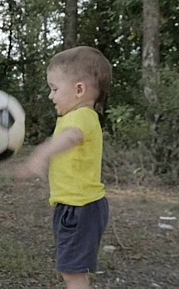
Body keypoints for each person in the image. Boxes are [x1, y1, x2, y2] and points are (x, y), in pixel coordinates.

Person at [15, 46, 112, 289]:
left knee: (73, 273)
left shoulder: (83, 116)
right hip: (74, 206)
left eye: (55, 89)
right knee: (71, 269)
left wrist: (42, 154)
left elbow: (71, 138)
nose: (51, 96)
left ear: (79, 90)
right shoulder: (76, 116)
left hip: (81, 208)